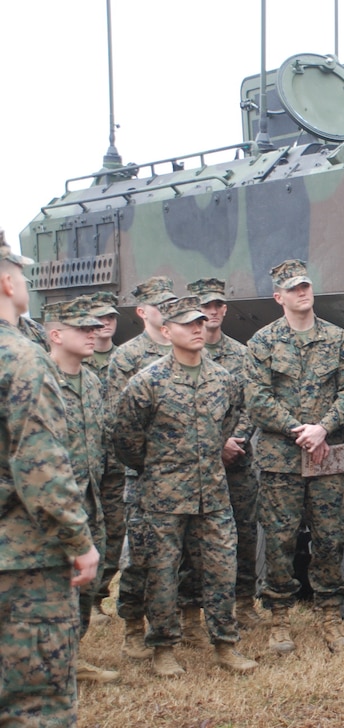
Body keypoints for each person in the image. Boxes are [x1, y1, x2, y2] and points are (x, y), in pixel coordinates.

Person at [111, 296, 257, 677]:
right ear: (165, 331)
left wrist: (205, 455)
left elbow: (232, 419)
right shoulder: (148, 382)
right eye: (188, 324)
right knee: (162, 572)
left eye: (200, 322)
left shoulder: (223, 380)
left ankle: (225, 644)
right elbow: (125, 438)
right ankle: (163, 648)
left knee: (222, 567)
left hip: (213, 492)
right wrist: (158, 466)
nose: (198, 328)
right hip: (163, 494)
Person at [0, 242, 100, 725]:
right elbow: (40, 465)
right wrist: (78, 541)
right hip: (24, 559)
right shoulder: (22, 358)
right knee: (34, 704)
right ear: (7, 282)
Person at [246, 259, 344, 654]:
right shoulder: (262, 343)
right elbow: (257, 400)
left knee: (331, 536)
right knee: (280, 538)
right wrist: (302, 431)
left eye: (306, 285)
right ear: (278, 297)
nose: (302, 292)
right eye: (293, 288)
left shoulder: (339, 339)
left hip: (327, 454)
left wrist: (323, 428)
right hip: (282, 457)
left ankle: (330, 614)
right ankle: (279, 617)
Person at [42, 296, 121, 685]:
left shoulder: (91, 381)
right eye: (83, 329)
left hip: (91, 498)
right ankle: (49, 665)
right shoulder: (40, 382)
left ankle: (73, 657)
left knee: (88, 584)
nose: (94, 334)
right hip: (51, 503)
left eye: (95, 327)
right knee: (53, 586)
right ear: (55, 335)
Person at [176, 277, 263, 634]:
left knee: (243, 532)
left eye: (217, 306)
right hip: (195, 465)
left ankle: (244, 603)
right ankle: (190, 610)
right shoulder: (184, 354)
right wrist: (214, 445)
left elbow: (250, 403)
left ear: (225, 309)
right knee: (192, 538)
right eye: (204, 308)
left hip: (236, 461)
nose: (211, 313)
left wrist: (233, 441)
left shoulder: (241, 355)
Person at [106, 276, 176, 660]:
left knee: (184, 555)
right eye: (159, 303)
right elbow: (120, 422)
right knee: (142, 556)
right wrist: (147, 462)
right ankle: (133, 625)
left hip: (186, 474)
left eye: (171, 302)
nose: (166, 308)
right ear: (142, 311)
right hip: (146, 474)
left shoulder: (185, 346)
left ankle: (182, 623)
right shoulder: (128, 357)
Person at [86, 290, 123, 623]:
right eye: (98, 319)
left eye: (110, 317)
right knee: (85, 528)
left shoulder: (124, 358)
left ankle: (98, 596)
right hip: (85, 462)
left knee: (115, 529)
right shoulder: (75, 359)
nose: (105, 324)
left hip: (117, 462)